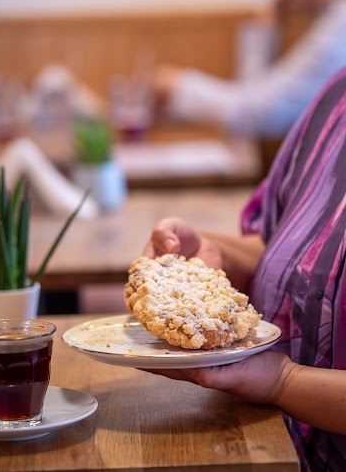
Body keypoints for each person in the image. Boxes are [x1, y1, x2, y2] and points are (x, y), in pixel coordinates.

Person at [139, 66, 346, 471]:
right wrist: (207, 254)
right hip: (260, 440)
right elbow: (285, 248)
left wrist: (282, 381)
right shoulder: (337, 96)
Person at [154, 0, 346, 138]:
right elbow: (254, 95)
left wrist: (180, 88)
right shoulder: (333, 19)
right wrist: (263, 31)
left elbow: (264, 113)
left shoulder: (340, 30)